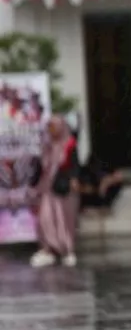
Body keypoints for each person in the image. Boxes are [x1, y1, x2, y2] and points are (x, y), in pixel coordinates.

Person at [30, 115, 81, 268]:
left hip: (63, 189)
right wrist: (33, 185)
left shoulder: (69, 144)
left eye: (53, 126)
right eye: (49, 127)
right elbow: (40, 168)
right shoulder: (46, 146)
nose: (51, 130)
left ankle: (67, 251)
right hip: (47, 189)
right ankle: (48, 250)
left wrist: (74, 179)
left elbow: (74, 164)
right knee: (45, 219)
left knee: (64, 222)